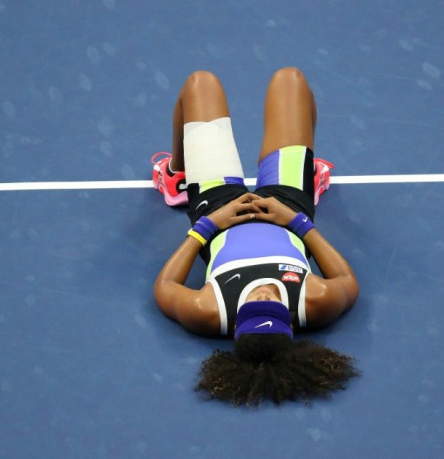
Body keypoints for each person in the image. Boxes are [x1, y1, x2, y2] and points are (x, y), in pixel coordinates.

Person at [151, 67, 360, 406]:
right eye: (273, 304)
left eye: (253, 305)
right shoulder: (316, 301)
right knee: (291, 80)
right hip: (287, 205)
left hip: (218, 210)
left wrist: (207, 226)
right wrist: (297, 221)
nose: (263, 294)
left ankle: (176, 175)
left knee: (199, 83)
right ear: (290, 318)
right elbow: (347, 279)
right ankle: (308, 176)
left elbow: (165, 288)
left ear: (236, 324)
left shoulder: (208, 310)